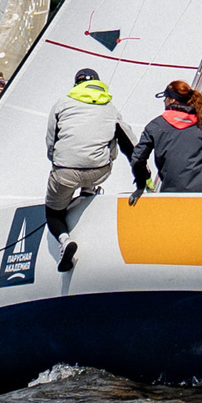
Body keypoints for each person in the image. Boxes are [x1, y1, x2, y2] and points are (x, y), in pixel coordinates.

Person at [42, 68, 135, 272]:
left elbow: (51, 143)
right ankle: (88, 192)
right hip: (98, 171)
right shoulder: (110, 108)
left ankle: (65, 241)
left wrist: (56, 164)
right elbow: (130, 144)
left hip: (65, 172)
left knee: (53, 213)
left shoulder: (61, 104)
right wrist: (142, 177)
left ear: (76, 84)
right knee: (100, 156)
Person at [132, 79, 202, 195]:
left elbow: (137, 160)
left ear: (171, 100)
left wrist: (141, 185)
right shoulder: (200, 125)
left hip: (171, 192)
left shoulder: (155, 126)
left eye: (165, 98)